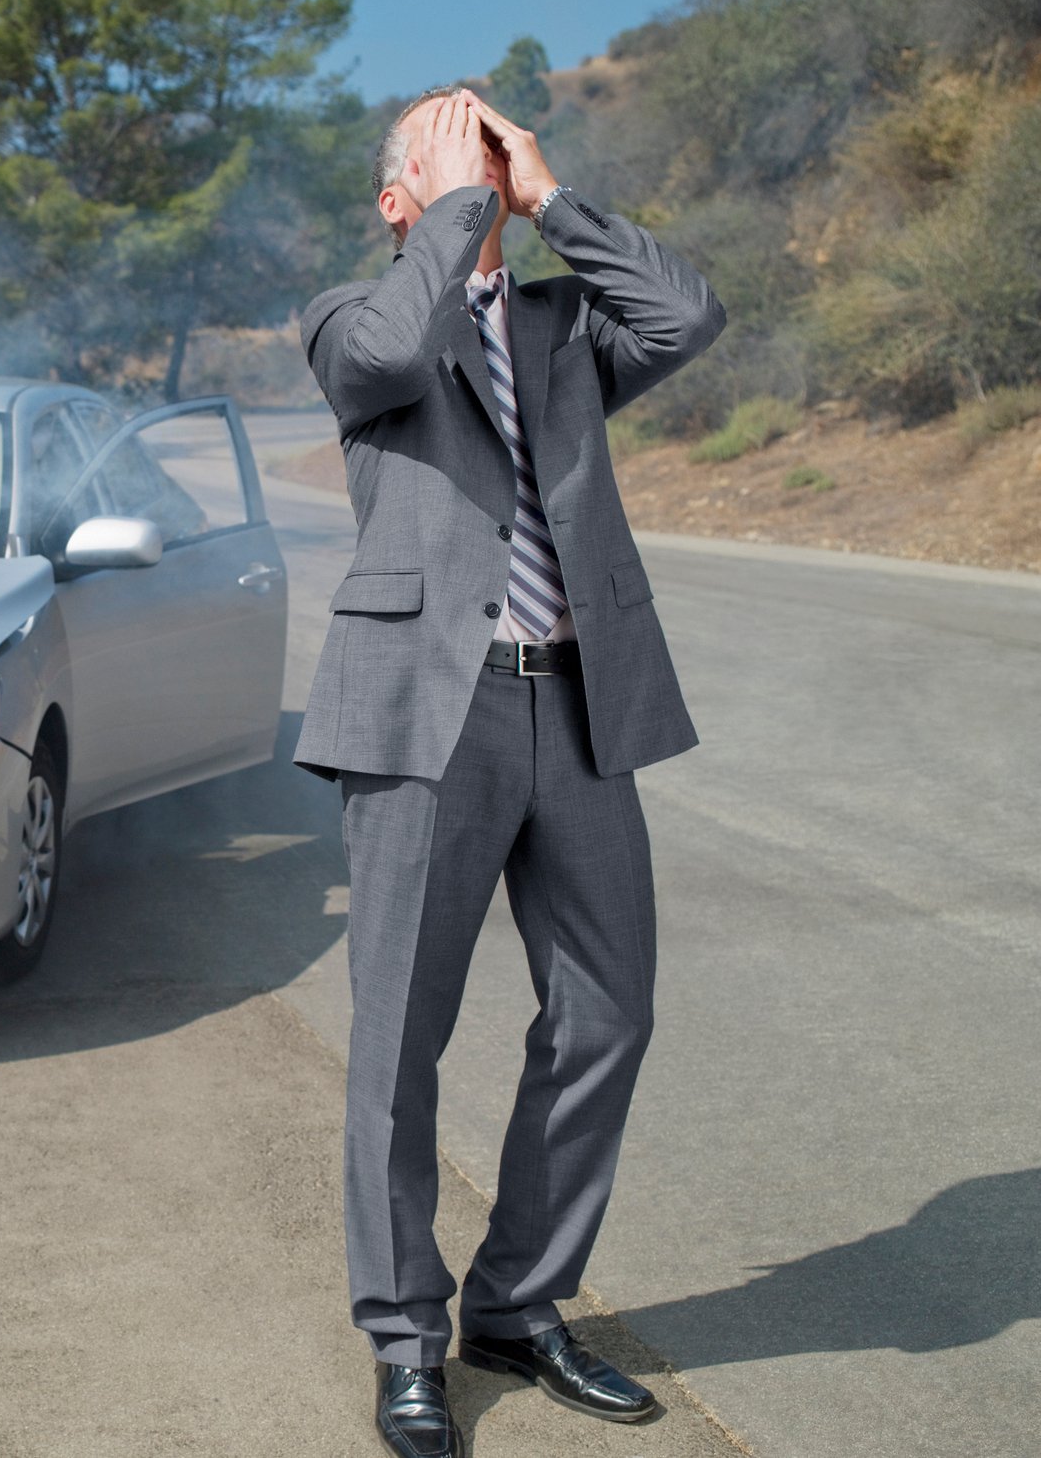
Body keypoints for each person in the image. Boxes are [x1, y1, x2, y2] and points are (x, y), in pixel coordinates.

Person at [293, 83, 726, 1458]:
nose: (479, 168)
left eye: (492, 149)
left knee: (609, 1015)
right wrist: (457, 206)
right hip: (431, 714)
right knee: (399, 1045)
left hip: (580, 708)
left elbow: (687, 315)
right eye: (450, 154)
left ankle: (518, 1305)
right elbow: (385, 356)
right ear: (396, 198)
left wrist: (548, 202)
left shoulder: (561, 327)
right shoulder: (356, 321)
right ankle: (406, 1340)